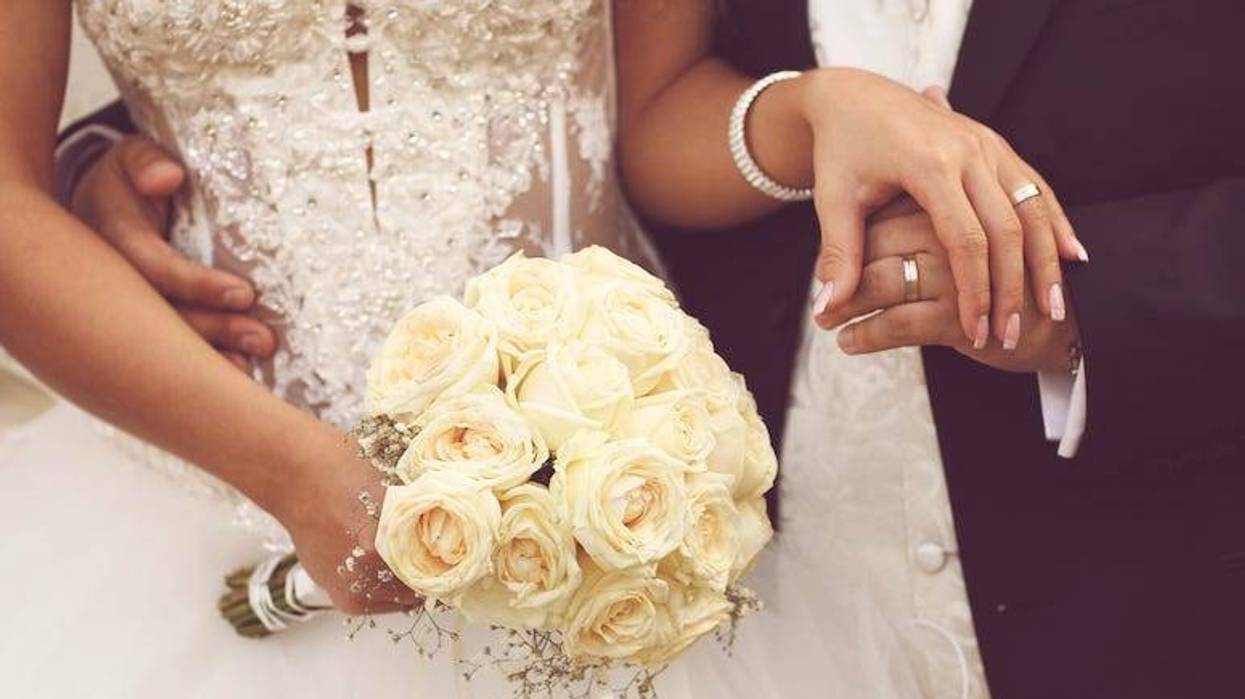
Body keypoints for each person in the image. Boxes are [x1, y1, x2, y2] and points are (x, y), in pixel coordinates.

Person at [2, 2, 1076, 698]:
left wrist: (817, 111)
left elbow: (652, 121)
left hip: (593, 500)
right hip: (197, 504)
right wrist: (281, 466)